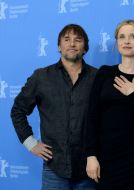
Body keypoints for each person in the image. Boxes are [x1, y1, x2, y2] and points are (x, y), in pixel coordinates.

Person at [11, 24, 97, 190]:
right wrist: (30, 143)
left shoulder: (98, 77)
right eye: (66, 40)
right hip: (54, 169)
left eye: (77, 40)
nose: (72, 44)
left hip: (89, 169)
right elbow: (17, 111)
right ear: (59, 46)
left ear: (85, 47)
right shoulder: (41, 77)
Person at [85, 19, 134, 190]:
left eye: (133, 36)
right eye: (122, 36)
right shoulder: (104, 73)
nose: (127, 41)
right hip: (106, 159)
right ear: (116, 42)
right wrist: (91, 155)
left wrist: (133, 95)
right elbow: (91, 117)